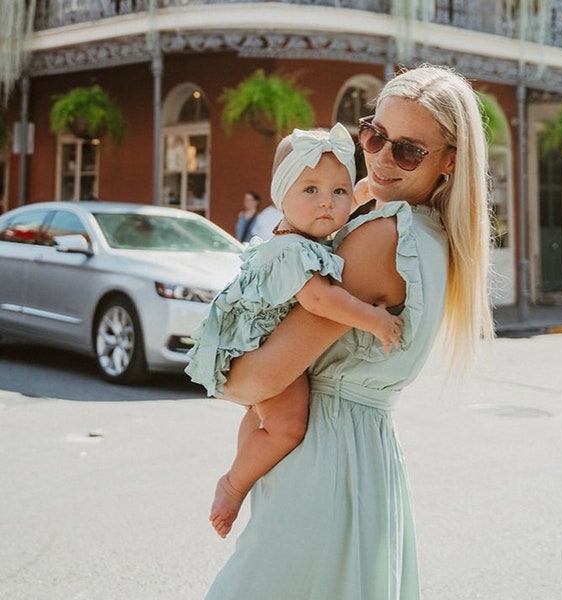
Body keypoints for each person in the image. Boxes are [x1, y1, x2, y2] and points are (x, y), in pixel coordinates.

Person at [203, 64, 494, 600]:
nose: (383, 157)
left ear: (450, 161)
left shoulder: (382, 238)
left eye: (408, 150)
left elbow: (259, 378)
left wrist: (224, 371)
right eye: (375, 135)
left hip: (323, 462)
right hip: (369, 461)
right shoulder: (435, 240)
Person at [186, 122, 404, 539]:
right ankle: (233, 484)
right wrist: (373, 318)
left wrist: (364, 193)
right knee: (288, 426)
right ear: (280, 196)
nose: (327, 203)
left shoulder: (302, 233)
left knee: (262, 416)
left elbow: (353, 196)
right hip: (257, 346)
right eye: (310, 191)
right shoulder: (292, 250)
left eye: (337, 192)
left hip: (257, 344)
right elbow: (321, 301)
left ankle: (246, 471)